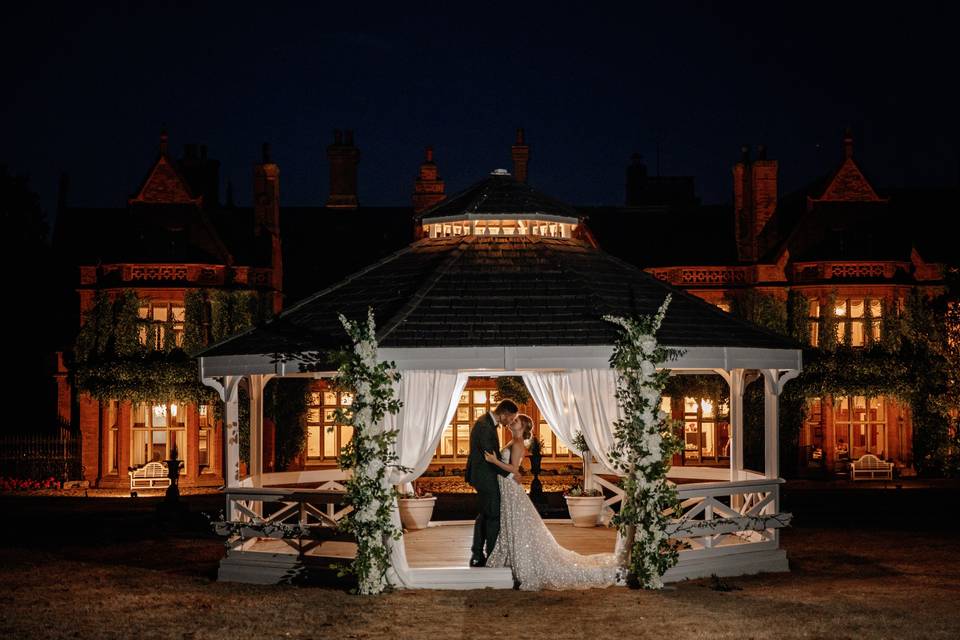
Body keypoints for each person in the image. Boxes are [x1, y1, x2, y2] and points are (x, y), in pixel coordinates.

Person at [483, 414, 619, 590]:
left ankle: (526, 563)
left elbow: (514, 469)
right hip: (507, 485)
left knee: (518, 524)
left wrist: (494, 461)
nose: (512, 422)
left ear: (522, 427)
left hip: (510, 487)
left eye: (516, 421)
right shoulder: (512, 441)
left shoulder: (517, 444)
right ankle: (513, 554)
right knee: (513, 523)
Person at [465, 398, 520, 567]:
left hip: (485, 475)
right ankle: (490, 555)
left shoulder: (487, 422)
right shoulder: (484, 426)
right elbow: (490, 457)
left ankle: (478, 555)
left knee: (485, 515)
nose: (510, 422)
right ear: (504, 414)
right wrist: (511, 475)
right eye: (510, 418)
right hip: (485, 476)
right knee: (493, 516)